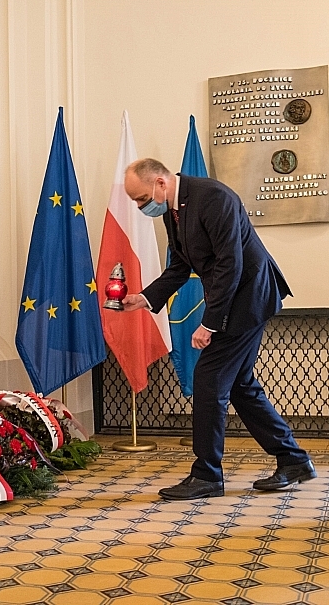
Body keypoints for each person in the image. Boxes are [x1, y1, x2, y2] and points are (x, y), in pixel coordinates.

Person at [121, 158, 315, 500]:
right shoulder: (173, 210)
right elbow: (180, 267)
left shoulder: (213, 197)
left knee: (209, 381)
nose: (140, 207)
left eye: (141, 198)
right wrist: (145, 298)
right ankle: (293, 460)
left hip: (248, 297)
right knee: (240, 386)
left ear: (160, 183)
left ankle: (207, 475)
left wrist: (209, 323)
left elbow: (230, 264)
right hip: (235, 298)